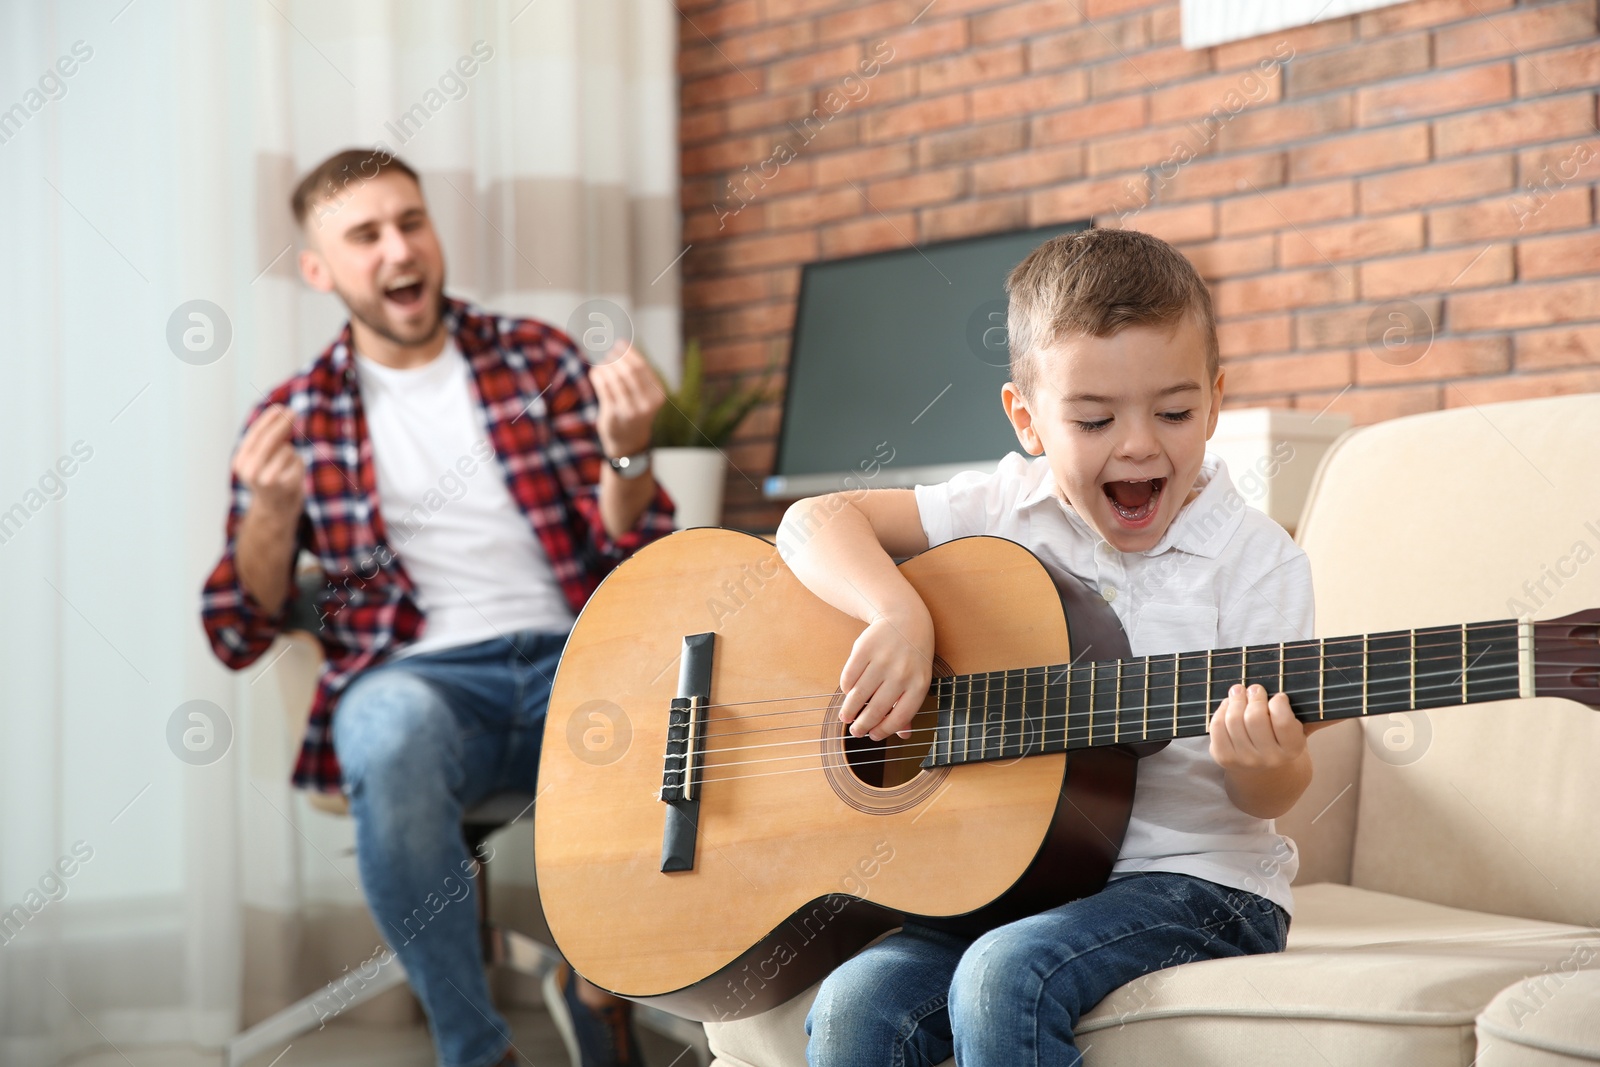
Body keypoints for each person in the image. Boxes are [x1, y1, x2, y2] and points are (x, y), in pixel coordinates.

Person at [777, 227, 1334, 1066]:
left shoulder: (1257, 562)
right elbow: (809, 522)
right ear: (1027, 419)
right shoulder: (1004, 504)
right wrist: (895, 611)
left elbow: (1271, 795)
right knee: (857, 1003)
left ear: (1215, 402)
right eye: (1095, 418)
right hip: (1003, 883)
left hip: (1197, 883)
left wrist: (1264, 763)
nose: (1141, 443)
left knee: (1006, 974)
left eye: (1175, 412)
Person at [200, 147, 674, 1067]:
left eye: (409, 222)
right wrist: (269, 516)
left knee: (678, 703)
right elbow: (237, 628)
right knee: (386, 729)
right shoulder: (297, 413)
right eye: (363, 234)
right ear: (319, 269)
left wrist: (628, 454)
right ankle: (474, 1046)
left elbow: (638, 554)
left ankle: (602, 981)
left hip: (572, 658)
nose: (396, 249)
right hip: (418, 682)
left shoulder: (535, 357)